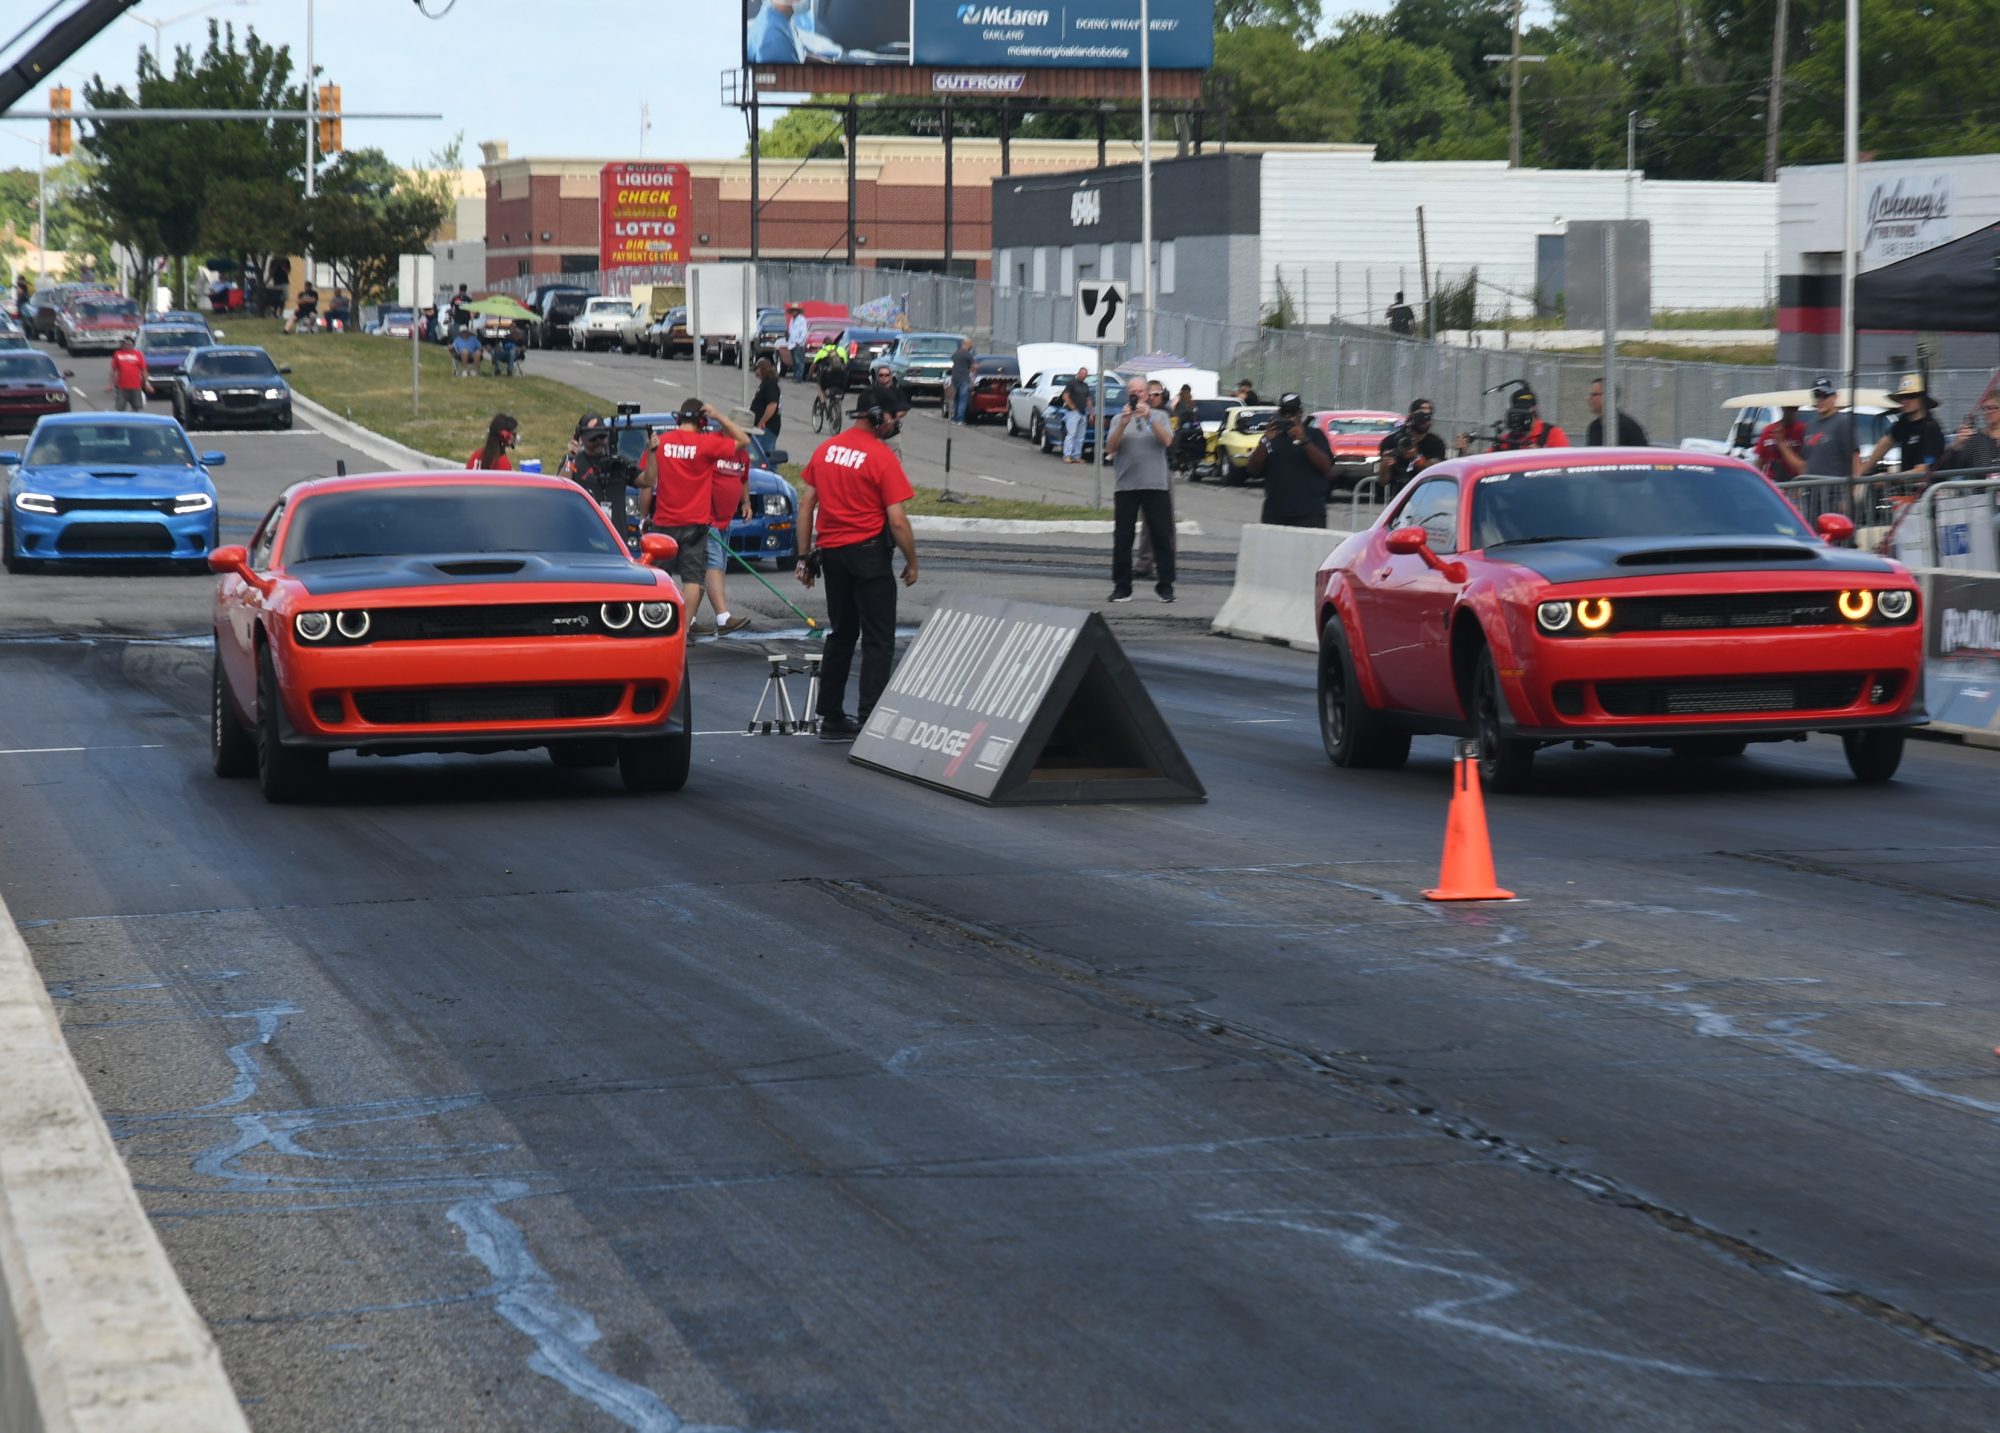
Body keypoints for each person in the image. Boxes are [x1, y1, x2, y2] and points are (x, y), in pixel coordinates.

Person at [795, 394, 920, 740]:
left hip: (833, 556)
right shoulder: (881, 457)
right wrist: (912, 560)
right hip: (869, 555)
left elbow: (806, 505)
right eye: (896, 418)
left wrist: (803, 558)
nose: (897, 425)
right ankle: (870, 717)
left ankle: (831, 715)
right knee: (879, 639)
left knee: (842, 633)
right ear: (879, 416)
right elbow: (897, 521)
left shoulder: (826, 450)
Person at [636, 397, 752, 615]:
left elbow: (647, 483)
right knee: (692, 580)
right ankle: (684, 628)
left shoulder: (661, 443)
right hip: (695, 525)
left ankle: (655, 621)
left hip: (664, 522)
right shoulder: (705, 443)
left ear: (678, 418)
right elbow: (743, 439)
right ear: (701, 422)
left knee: (658, 577)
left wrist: (643, 516)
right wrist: (718, 416)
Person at [1105, 377, 1178, 603]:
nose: (1137, 395)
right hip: (1127, 486)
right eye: (1132, 392)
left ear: (1147, 394)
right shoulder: (1119, 418)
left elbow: (1167, 441)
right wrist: (1123, 423)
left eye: (1141, 392)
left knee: (1162, 537)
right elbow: (1110, 447)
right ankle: (1122, 587)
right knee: (1123, 538)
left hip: (1155, 485)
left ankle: (1165, 586)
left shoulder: (1161, 417)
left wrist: (1149, 418)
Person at [690, 437, 755, 637]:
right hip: (706, 520)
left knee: (704, 573)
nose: (746, 437)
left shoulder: (742, 453)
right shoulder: (712, 447)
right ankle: (723, 617)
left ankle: (688, 619)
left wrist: (746, 502)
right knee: (713, 565)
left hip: (725, 521)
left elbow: (743, 478)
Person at [1250, 392, 1335, 528]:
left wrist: (1304, 441)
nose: (1289, 416)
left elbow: (1326, 466)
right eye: (1284, 412)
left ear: (1300, 413)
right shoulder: (1271, 437)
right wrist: (1265, 441)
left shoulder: (1314, 435)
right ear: (1279, 412)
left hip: (1309, 513)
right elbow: (1253, 469)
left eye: (1293, 412)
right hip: (1275, 512)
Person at [559, 414, 630, 540]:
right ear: (582, 439)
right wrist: (570, 457)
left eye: (602, 437)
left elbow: (648, 480)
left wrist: (652, 450)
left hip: (616, 539)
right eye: (593, 439)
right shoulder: (574, 462)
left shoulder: (618, 462)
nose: (598, 442)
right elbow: (562, 487)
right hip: (586, 538)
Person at [1775, 378, 1859, 480]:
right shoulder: (1810, 426)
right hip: (1812, 491)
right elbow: (1805, 464)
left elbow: (1854, 457)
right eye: (1816, 396)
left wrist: (1856, 487)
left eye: (1824, 395)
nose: (1820, 400)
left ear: (1834, 397)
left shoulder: (1843, 421)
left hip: (1835, 490)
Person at [1864, 373, 1945, 477]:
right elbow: (1885, 443)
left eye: (1910, 396)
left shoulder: (1931, 429)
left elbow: (1922, 471)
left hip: (1928, 490)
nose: (1905, 401)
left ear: (1922, 399)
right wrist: (1862, 473)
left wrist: (1889, 479)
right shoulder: (1904, 422)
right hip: (1908, 489)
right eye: (1902, 397)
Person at [1378, 398, 1447, 495]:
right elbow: (1383, 481)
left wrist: (1415, 457)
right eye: (1421, 416)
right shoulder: (1390, 441)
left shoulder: (1436, 443)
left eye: (1428, 416)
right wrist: (1385, 464)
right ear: (1411, 416)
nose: (1425, 420)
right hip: (1399, 496)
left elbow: (1433, 472)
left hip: (1426, 495)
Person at [1470, 388, 1568, 452]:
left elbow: (1564, 465)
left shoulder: (1553, 434)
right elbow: (1485, 462)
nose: (1524, 414)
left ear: (1535, 409)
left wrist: (1541, 456)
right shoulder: (1508, 439)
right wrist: (1465, 451)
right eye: (1519, 410)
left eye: (1526, 410)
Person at [1943, 393, 2000, 471]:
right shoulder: (1975, 440)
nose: (1988, 412)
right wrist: (1957, 446)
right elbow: (1953, 467)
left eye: (1992, 408)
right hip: (1981, 482)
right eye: (1985, 409)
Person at [1585, 377, 1648, 446]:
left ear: (1607, 397)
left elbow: (1643, 454)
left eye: (1593, 394)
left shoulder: (1629, 427)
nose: (1588, 398)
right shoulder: (1594, 427)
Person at [1753, 403, 1805, 482]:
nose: (1789, 411)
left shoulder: (1803, 430)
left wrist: (1781, 442)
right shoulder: (1769, 430)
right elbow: (1760, 462)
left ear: (1797, 408)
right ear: (1781, 407)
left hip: (1795, 482)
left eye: (1793, 408)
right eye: (1787, 408)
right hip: (1773, 483)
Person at [750, 357, 782, 465]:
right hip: (762, 428)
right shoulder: (766, 383)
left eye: (757, 369)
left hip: (766, 428)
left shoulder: (770, 384)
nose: (756, 372)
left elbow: (772, 405)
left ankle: (770, 473)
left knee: (764, 457)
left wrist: (762, 421)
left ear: (762, 369)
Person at [1061, 367, 1093, 464]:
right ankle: (1067, 455)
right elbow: (1065, 395)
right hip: (1072, 412)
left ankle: (1076, 456)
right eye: (1082, 373)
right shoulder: (1072, 383)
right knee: (1071, 434)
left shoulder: (1085, 386)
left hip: (1083, 413)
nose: (1083, 375)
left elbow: (1088, 399)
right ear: (1078, 373)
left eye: (1085, 374)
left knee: (1080, 436)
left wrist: (1091, 412)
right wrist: (1072, 406)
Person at [107, 336, 147, 413]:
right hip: (121, 387)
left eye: (129, 344)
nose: (126, 346)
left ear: (132, 345)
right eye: (124, 344)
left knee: (136, 408)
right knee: (120, 408)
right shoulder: (117, 354)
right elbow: (113, 370)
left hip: (136, 386)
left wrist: (146, 384)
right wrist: (110, 384)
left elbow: (143, 370)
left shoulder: (138, 354)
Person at [947, 336, 975, 425]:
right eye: (971, 345)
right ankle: (960, 419)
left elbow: (953, 361)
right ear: (968, 345)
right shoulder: (968, 355)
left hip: (955, 378)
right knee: (963, 399)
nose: (971, 347)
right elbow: (973, 367)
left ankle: (955, 418)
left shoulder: (956, 353)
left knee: (956, 399)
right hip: (964, 379)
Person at [785, 306, 809, 380]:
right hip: (791, 343)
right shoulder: (792, 320)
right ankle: (795, 376)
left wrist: (799, 341)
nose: (794, 312)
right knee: (795, 362)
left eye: (795, 311)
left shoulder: (802, 320)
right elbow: (791, 332)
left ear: (798, 311)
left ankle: (799, 377)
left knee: (799, 361)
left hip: (798, 344)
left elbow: (804, 332)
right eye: (793, 311)